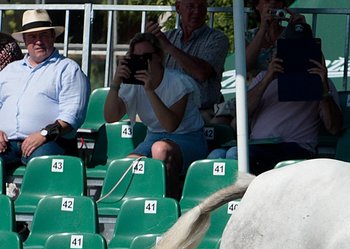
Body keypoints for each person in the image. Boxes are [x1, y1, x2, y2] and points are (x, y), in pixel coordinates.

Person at [208, 27, 342, 174]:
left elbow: (334, 127)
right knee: (216, 156)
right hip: (258, 145)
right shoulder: (263, 77)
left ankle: (245, 196)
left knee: (235, 154)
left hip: (295, 147)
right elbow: (241, 115)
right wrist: (268, 79)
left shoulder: (322, 82)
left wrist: (323, 91)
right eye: (288, 49)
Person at [105, 32, 207, 200]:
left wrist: (149, 90)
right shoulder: (133, 84)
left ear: (159, 57)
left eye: (147, 57)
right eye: (136, 57)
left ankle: (168, 205)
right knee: (128, 164)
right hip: (154, 138)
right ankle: (140, 210)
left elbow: (170, 125)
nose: (142, 62)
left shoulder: (178, 82)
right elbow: (110, 117)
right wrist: (115, 83)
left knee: (160, 149)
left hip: (188, 139)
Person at [0, 9, 90, 179]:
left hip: (51, 141)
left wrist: (43, 134)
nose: (38, 41)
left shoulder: (68, 69)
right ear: (25, 41)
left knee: (44, 164)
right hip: (7, 143)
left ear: (52, 37)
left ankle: (39, 205)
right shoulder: (9, 71)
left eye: (43, 35)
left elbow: (72, 117)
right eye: (32, 37)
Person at [146, 0, 229, 120]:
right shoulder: (167, 37)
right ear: (178, 8)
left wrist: (169, 47)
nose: (197, 11)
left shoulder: (217, 38)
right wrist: (146, 43)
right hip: (164, 110)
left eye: (201, 6)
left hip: (200, 113)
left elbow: (201, 73)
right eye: (191, 6)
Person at [245, 0, 308, 76]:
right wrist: (263, 29)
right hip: (258, 86)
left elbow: (310, 62)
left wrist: (303, 30)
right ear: (257, 5)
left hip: (285, 84)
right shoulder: (248, 36)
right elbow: (244, 66)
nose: (273, 1)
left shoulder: (291, 33)